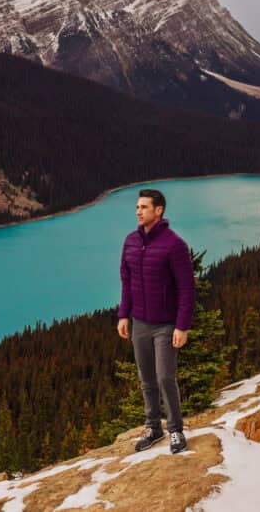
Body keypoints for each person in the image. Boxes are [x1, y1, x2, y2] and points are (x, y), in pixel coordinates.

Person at [117, 188, 195, 454]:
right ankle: (153, 428)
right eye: (137, 207)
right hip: (139, 322)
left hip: (165, 325)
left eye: (144, 207)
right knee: (146, 379)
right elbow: (126, 283)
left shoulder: (174, 245)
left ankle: (175, 430)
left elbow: (187, 289)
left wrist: (182, 326)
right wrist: (123, 315)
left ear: (158, 210)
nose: (138, 211)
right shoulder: (129, 242)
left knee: (165, 378)